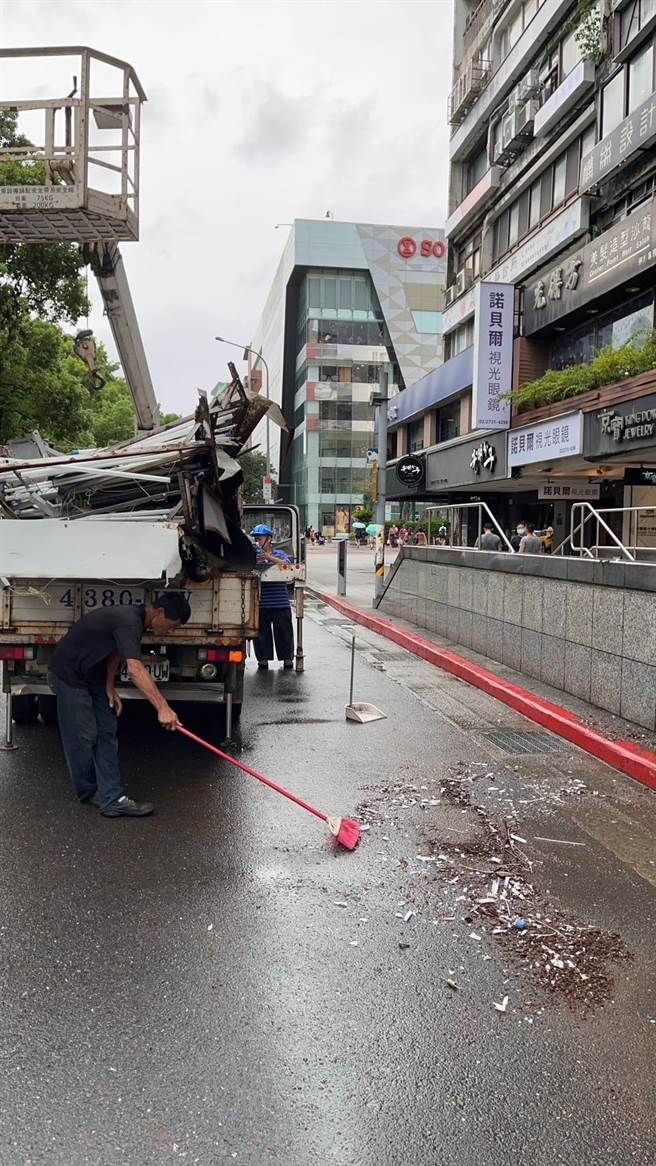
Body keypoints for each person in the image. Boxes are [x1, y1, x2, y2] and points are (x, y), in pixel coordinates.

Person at [47, 591, 192, 817]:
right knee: (84, 736)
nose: (170, 631)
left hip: (92, 677)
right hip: (69, 676)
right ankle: (87, 791)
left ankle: (112, 798)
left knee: (107, 732)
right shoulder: (129, 621)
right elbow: (134, 668)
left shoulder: (136, 621)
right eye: (172, 625)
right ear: (160, 611)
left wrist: (109, 686)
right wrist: (162, 707)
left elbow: (115, 651)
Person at [250, 524, 295, 671]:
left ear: (268, 539)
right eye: (255, 538)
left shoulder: (279, 553)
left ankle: (287, 658)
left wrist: (269, 557)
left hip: (280, 602)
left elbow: (287, 566)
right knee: (262, 633)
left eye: (260, 538)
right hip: (262, 603)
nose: (257, 540)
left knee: (284, 632)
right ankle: (263, 659)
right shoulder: (253, 555)